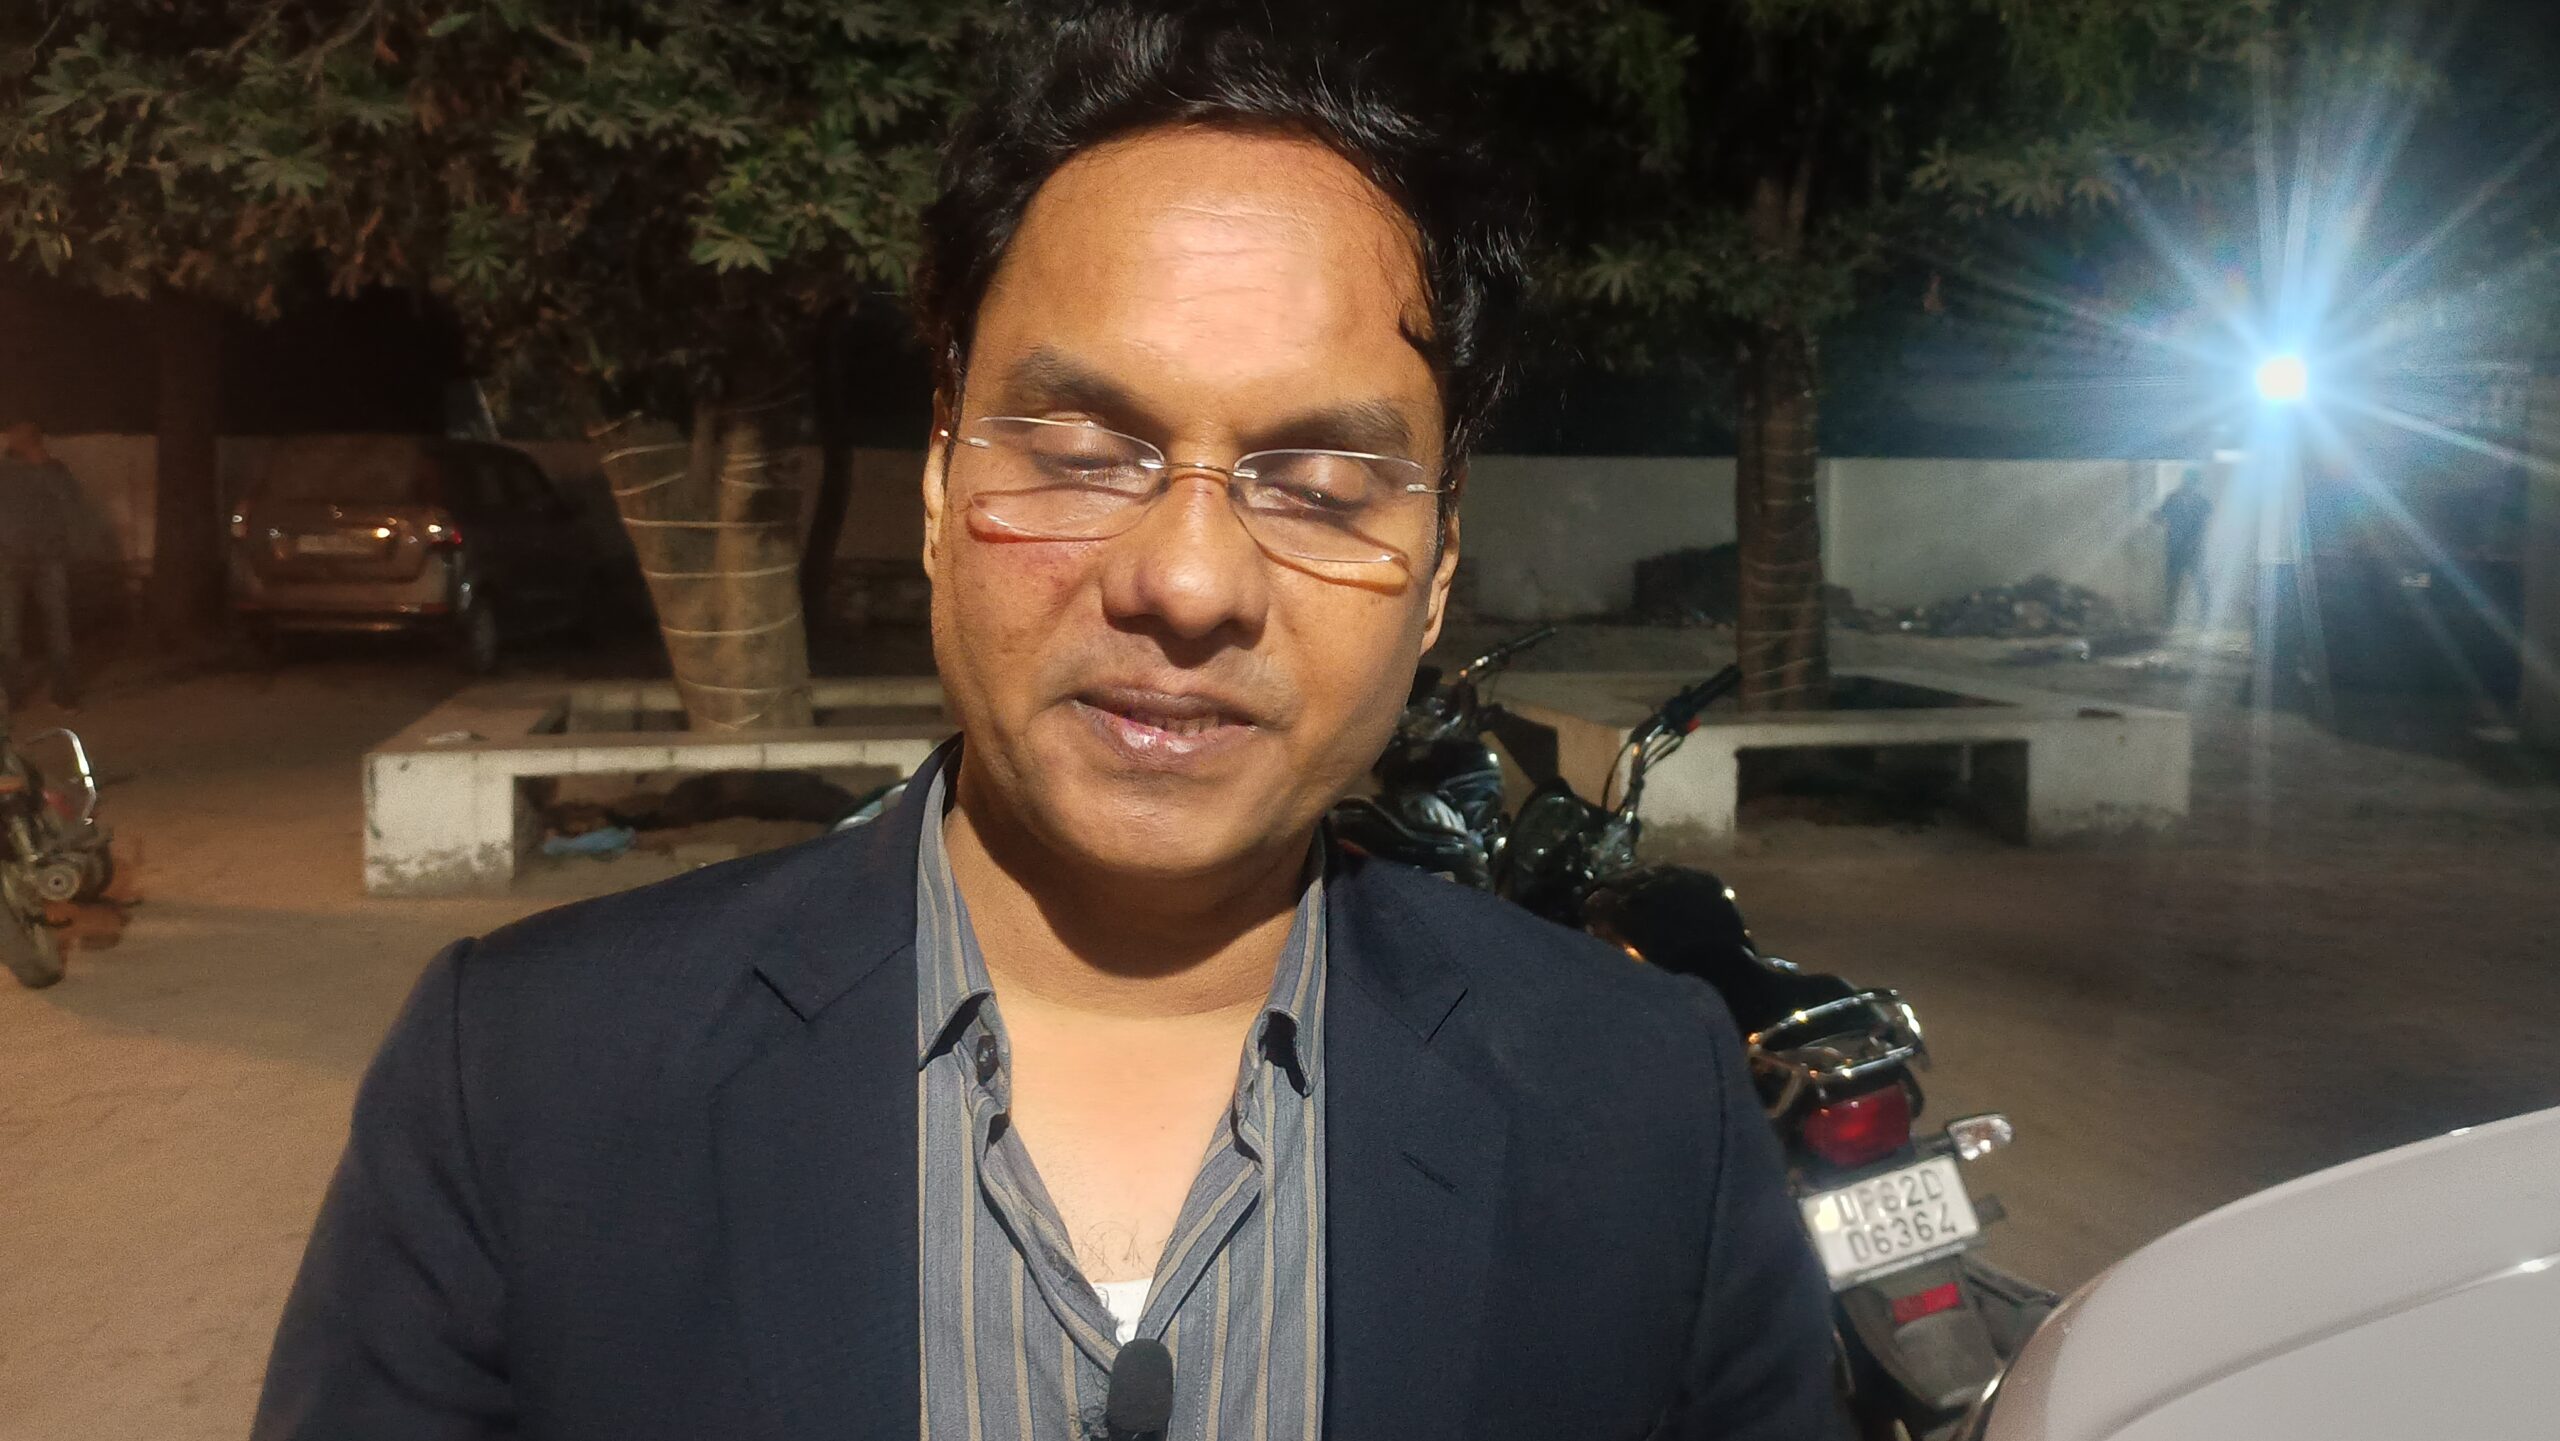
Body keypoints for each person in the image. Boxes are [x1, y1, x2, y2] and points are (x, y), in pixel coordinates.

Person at [253, 4, 1844, 1439]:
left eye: (1317, 486)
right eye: (1084, 453)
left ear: (1433, 574)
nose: (1189, 581)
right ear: (940, 485)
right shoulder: (522, 1084)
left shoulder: (1647, 1112)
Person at [0, 422, 89, 708]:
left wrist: (45, 468)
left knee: (58, 627)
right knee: (7, 633)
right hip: (8, 561)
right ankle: (13, 694)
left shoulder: (55, 471)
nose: (21, 440)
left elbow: (72, 505)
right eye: (17, 434)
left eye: (28, 436)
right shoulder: (3, 472)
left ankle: (65, 693)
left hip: (49, 559)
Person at [2157, 467, 2213, 628]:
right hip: (2176, 549)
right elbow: (2161, 516)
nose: (2190, 485)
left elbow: (2204, 523)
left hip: (2193, 549)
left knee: (2200, 584)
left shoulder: (2200, 502)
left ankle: (2205, 618)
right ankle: (2170, 620)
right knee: (2173, 585)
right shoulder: (2174, 499)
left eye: (2192, 482)